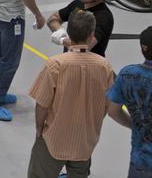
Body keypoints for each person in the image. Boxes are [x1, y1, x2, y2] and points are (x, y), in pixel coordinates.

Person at [27, 10, 114, 178]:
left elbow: (42, 104)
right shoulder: (104, 67)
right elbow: (106, 105)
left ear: (69, 34)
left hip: (54, 138)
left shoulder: (56, 65)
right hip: (85, 142)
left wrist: (39, 128)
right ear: (91, 35)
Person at [105, 26, 152, 178]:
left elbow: (113, 111)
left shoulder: (127, 75)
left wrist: (136, 124)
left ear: (143, 48)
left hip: (142, 161)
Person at [48, 0, 115, 57]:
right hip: (70, 60)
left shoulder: (103, 17)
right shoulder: (79, 3)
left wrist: (62, 40)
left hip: (89, 66)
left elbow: (84, 48)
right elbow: (53, 18)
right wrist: (59, 30)